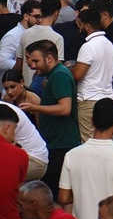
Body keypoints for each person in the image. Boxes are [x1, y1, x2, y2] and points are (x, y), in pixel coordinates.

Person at [22, 40, 81, 189]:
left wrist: (35, 107)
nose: (33, 65)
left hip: (61, 144)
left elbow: (65, 108)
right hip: (55, 142)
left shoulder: (59, 76)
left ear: (49, 58)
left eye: (36, 61)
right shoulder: (52, 75)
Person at [73, 5, 113, 142]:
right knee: (105, 140)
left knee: (88, 141)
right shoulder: (109, 45)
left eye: (79, 25)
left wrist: (70, 67)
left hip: (89, 100)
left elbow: (78, 75)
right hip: (108, 97)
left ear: (87, 26)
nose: (78, 28)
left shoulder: (88, 47)